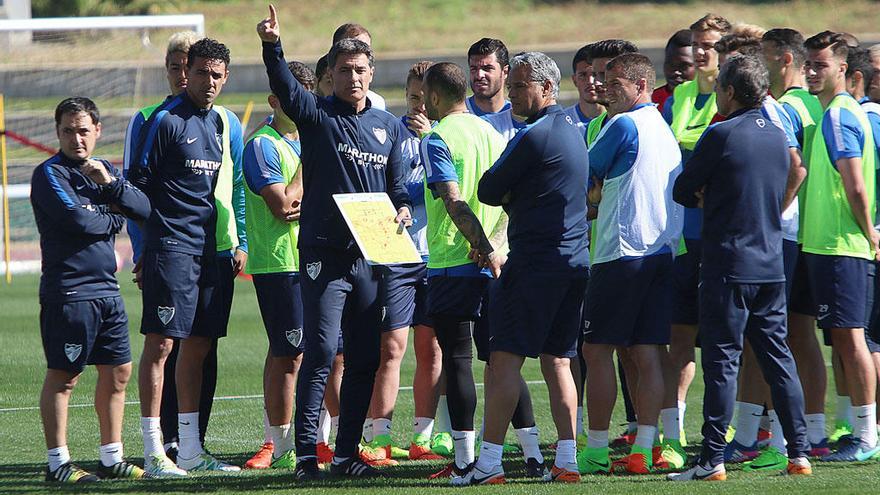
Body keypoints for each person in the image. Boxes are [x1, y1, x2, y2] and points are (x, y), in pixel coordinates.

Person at [257, 6, 412, 479]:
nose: (353, 77)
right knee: (322, 352)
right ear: (331, 74)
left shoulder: (389, 126)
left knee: (365, 357)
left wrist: (402, 208)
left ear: (371, 73)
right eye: (344, 70)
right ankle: (308, 454)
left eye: (361, 69)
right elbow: (285, 87)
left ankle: (346, 454)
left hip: (370, 257)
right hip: (324, 255)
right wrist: (272, 47)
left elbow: (399, 187)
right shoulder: (318, 115)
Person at [668, 54, 812, 481]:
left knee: (722, 360)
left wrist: (711, 197)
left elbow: (681, 189)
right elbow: (794, 173)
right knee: (778, 359)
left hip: (729, 262)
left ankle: (711, 459)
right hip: (770, 264)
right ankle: (799, 452)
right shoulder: (777, 135)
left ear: (729, 91)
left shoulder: (721, 133)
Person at [455, 51, 590, 486]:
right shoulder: (573, 128)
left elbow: (489, 189)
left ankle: (489, 463)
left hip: (535, 264)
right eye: (510, 86)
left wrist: (516, 197)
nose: (511, 95)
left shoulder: (534, 136)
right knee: (559, 361)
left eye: (519, 87)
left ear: (547, 89)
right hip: (573, 263)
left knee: (504, 360)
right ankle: (566, 460)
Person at [123, 30, 247, 467]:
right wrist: (151, 242)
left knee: (199, 345)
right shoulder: (164, 119)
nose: (208, 82)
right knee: (160, 347)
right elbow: (136, 186)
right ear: (185, 74)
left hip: (209, 252)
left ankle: (191, 449)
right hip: (171, 249)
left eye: (216, 75)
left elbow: (228, 190)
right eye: (199, 74)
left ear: (226, 77)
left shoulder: (219, 123)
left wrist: (237, 240)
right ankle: (154, 450)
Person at [31, 97, 150, 483]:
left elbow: (144, 209)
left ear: (97, 131)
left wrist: (111, 186)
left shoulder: (103, 172)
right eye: (68, 131)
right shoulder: (49, 174)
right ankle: (57, 463)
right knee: (65, 376)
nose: (76, 139)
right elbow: (76, 220)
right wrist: (114, 214)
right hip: (69, 293)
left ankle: (111, 457)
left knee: (118, 372)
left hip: (107, 291)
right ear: (58, 133)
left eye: (83, 130)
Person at [580, 53, 684, 476]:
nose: (604, 87)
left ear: (641, 85)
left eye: (614, 81)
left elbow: (582, 174)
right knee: (647, 353)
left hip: (621, 253)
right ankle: (645, 447)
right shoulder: (662, 126)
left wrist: (593, 197)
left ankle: (598, 449)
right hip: (660, 252)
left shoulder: (623, 124)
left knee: (596, 350)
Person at [416, 61, 509, 480]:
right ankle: (531, 452)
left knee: (457, 360)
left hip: (455, 262)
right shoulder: (491, 132)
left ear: (434, 97)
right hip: (494, 263)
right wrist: (496, 249)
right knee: (500, 361)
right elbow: (510, 199)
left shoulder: (437, 137)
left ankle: (465, 460)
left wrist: (479, 245)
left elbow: (453, 202)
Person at [360, 61, 446, 464]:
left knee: (432, 349)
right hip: (397, 255)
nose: (420, 108)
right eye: (414, 98)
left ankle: (423, 437)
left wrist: (432, 142)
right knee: (391, 348)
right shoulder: (391, 133)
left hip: (439, 254)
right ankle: (380, 435)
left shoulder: (446, 134)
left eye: (427, 100)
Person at [802, 30, 880, 462]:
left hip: (840, 246)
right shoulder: (836, 111)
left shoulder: (837, 116)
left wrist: (868, 232)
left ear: (843, 70)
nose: (812, 72)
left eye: (821, 65)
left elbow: (854, 184)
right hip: (833, 245)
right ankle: (864, 432)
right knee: (853, 339)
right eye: (809, 64)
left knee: (854, 341)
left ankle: (866, 436)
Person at [759, 26, 831, 456]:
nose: (762, 64)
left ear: (785, 59)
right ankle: (815, 428)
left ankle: (780, 434)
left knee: (774, 337)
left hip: (787, 234)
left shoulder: (786, 105)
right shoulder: (813, 104)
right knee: (800, 335)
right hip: (813, 233)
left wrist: (774, 212)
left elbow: (795, 166)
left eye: (766, 55)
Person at [241, 61, 315, 471]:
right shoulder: (263, 145)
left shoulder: (309, 136)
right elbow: (285, 205)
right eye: (292, 96)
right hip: (280, 264)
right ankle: (280, 443)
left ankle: (304, 440)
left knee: (314, 353)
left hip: (316, 260)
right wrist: (312, 161)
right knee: (290, 355)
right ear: (274, 100)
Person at [664, 14, 731, 444]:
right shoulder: (679, 96)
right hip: (682, 234)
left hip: (722, 231)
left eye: (711, 45)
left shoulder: (735, 99)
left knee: (727, 338)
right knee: (679, 334)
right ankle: (675, 433)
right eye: (699, 44)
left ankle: (734, 428)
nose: (703, 51)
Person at [331, 22, 387, 111]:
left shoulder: (376, 103)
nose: (359, 51)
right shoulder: (318, 109)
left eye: (366, 47)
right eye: (351, 45)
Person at [566, 43, 605, 137]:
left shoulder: (618, 121)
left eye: (595, 74)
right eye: (583, 75)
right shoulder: (563, 122)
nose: (590, 81)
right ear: (575, 80)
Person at [653, 30, 695, 112]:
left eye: (684, 66)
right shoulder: (652, 101)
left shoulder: (713, 102)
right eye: (670, 64)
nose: (675, 72)